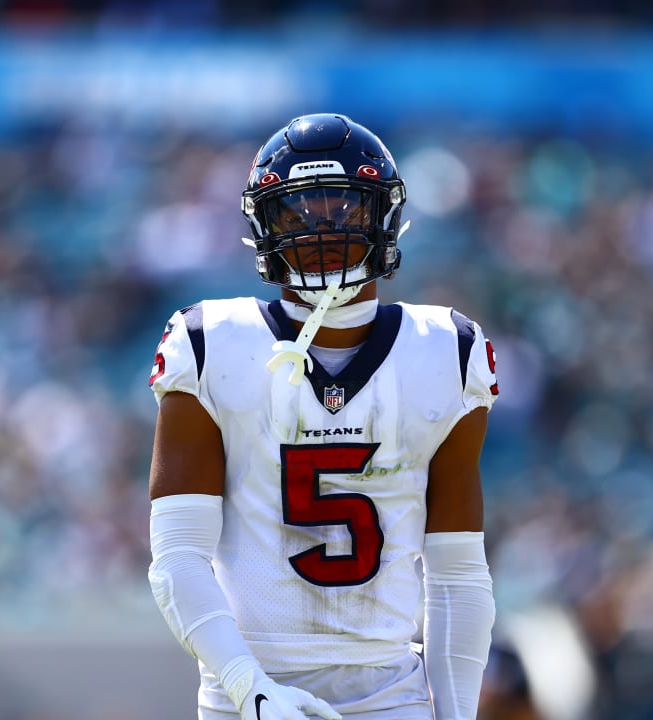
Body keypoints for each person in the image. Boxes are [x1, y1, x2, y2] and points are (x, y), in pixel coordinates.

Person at [146, 113, 498, 720]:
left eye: (344, 211)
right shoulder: (209, 344)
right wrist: (250, 690)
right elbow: (177, 557)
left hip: (390, 692)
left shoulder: (449, 350)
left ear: (383, 220)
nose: (322, 232)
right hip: (247, 691)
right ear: (264, 228)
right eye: (298, 215)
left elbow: (458, 577)